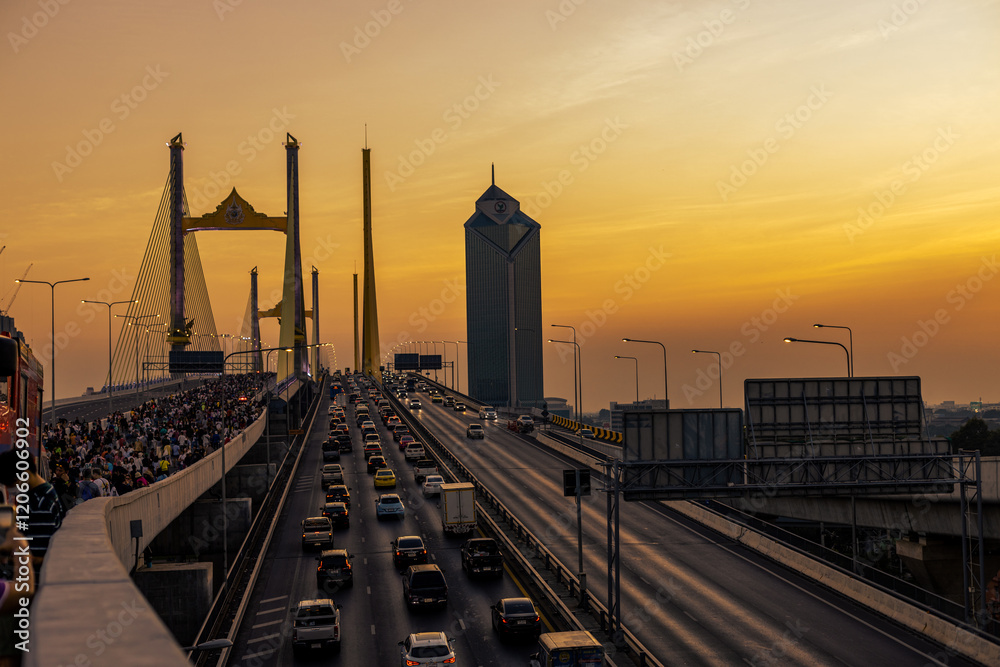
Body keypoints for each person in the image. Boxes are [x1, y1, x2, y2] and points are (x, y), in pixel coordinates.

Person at [0, 452, 63, 576]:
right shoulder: (45, 492)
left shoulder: (41, 504)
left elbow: (39, 557)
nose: (9, 488)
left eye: (11, 482)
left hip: (35, 583)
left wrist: (8, 556)